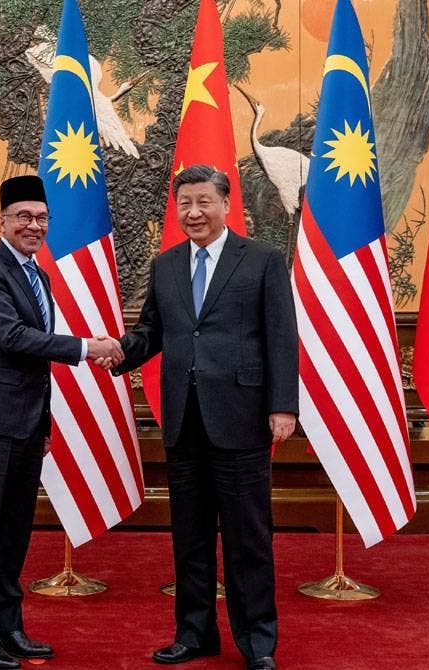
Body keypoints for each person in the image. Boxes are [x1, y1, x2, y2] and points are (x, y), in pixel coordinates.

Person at [111, 165, 298, 670]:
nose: (193, 213)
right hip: (183, 420)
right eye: (184, 204)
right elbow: (152, 330)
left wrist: (283, 405)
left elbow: (281, 335)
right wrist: (119, 352)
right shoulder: (166, 265)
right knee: (188, 535)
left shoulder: (261, 260)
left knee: (248, 537)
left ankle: (258, 642)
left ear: (225, 205)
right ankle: (194, 634)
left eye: (203, 202)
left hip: (241, 417)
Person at [0, 174, 123, 670]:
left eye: (42, 218)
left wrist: (44, 423)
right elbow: (12, 337)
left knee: (16, 530)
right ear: (2, 220)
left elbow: (35, 362)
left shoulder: (40, 275)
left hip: (27, 422)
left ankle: (9, 626)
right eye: (24, 217)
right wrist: (85, 347)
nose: (34, 226)